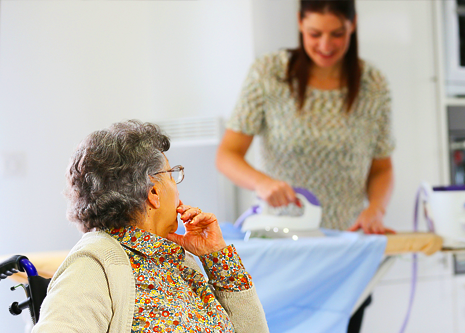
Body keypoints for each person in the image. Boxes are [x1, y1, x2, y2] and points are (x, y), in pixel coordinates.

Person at [216, 0, 394, 332]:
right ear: (299, 23)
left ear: (352, 26)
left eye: (337, 34)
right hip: (285, 255)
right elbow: (227, 155)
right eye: (315, 34)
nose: (326, 45)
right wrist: (262, 183)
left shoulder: (372, 84)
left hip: (346, 253)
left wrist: (376, 209)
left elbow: (382, 168)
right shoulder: (270, 74)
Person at [32, 120, 269, 333]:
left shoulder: (178, 260)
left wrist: (216, 257)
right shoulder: (93, 267)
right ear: (154, 192)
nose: (177, 189)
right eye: (171, 175)